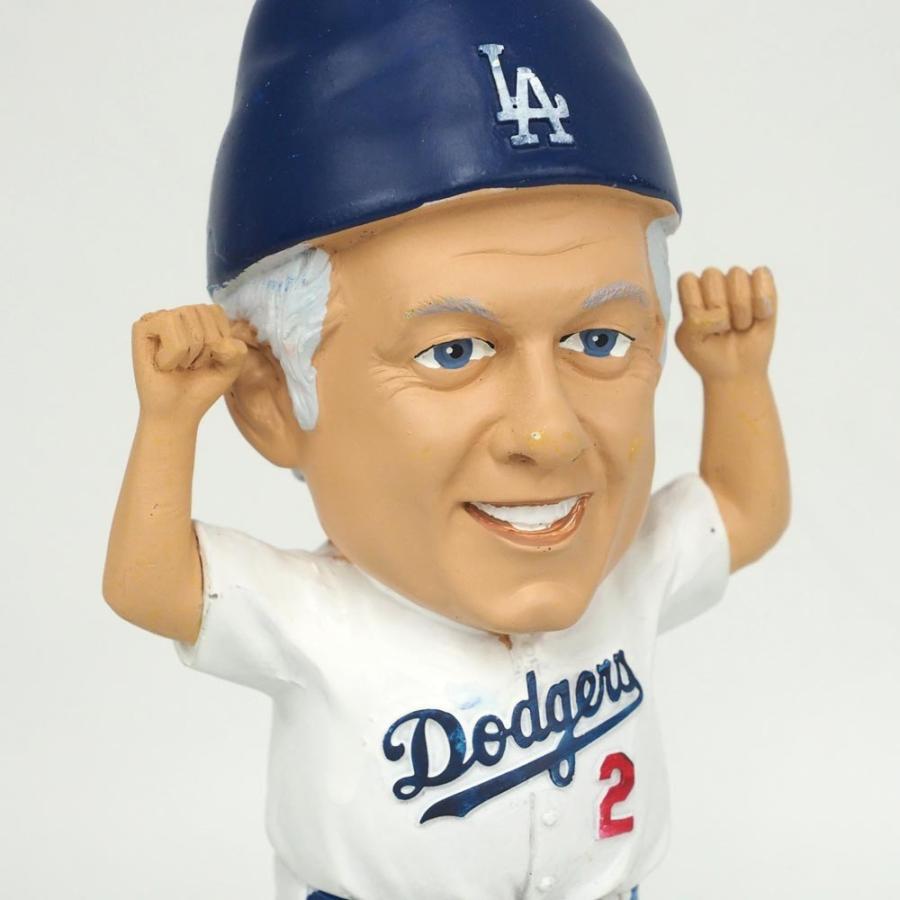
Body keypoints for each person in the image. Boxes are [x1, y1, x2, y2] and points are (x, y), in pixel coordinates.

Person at [103, 2, 789, 898]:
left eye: (600, 341)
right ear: (271, 399)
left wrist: (736, 379)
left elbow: (742, 512)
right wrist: (168, 422)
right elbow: (148, 586)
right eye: (454, 353)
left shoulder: (627, 578)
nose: (548, 433)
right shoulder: (319, 615)